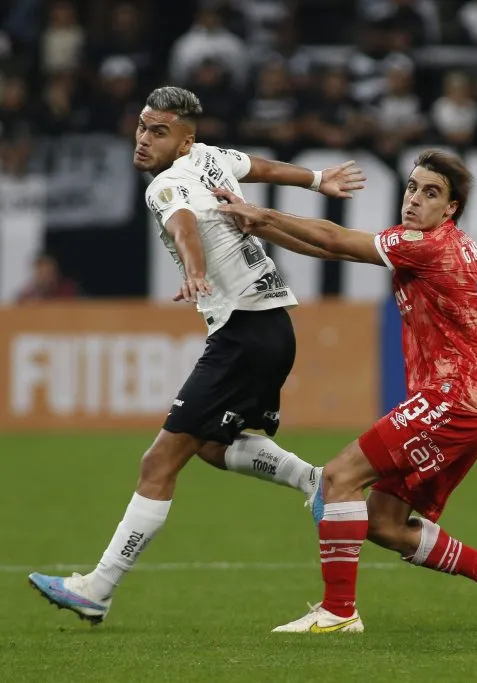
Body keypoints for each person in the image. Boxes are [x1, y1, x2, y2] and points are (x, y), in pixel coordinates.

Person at [27, 86, 366, 624]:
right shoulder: (208, 158)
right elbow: (254, 166)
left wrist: (194, 268)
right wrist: (317, 179)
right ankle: (314, 480)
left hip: (243, 333)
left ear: (183, 142)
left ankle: (97, 588)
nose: (142, 139)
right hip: (270, 327)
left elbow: (182, 222)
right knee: (212, 446)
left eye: (157, 132)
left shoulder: (167, 183)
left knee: (159, 461)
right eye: (141, 126)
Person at [214, 148, 477, 634]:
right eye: (412, 187)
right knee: (383, 522)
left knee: (339, 478)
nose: (414, 200)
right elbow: (335, 247)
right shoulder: (446, 242)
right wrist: (261, 227)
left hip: (453, 401)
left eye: (431, 193)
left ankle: (339, 612)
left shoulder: (429, 247)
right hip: (474, 406)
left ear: (450, 208)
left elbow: (336, 237)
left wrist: (261, 213)